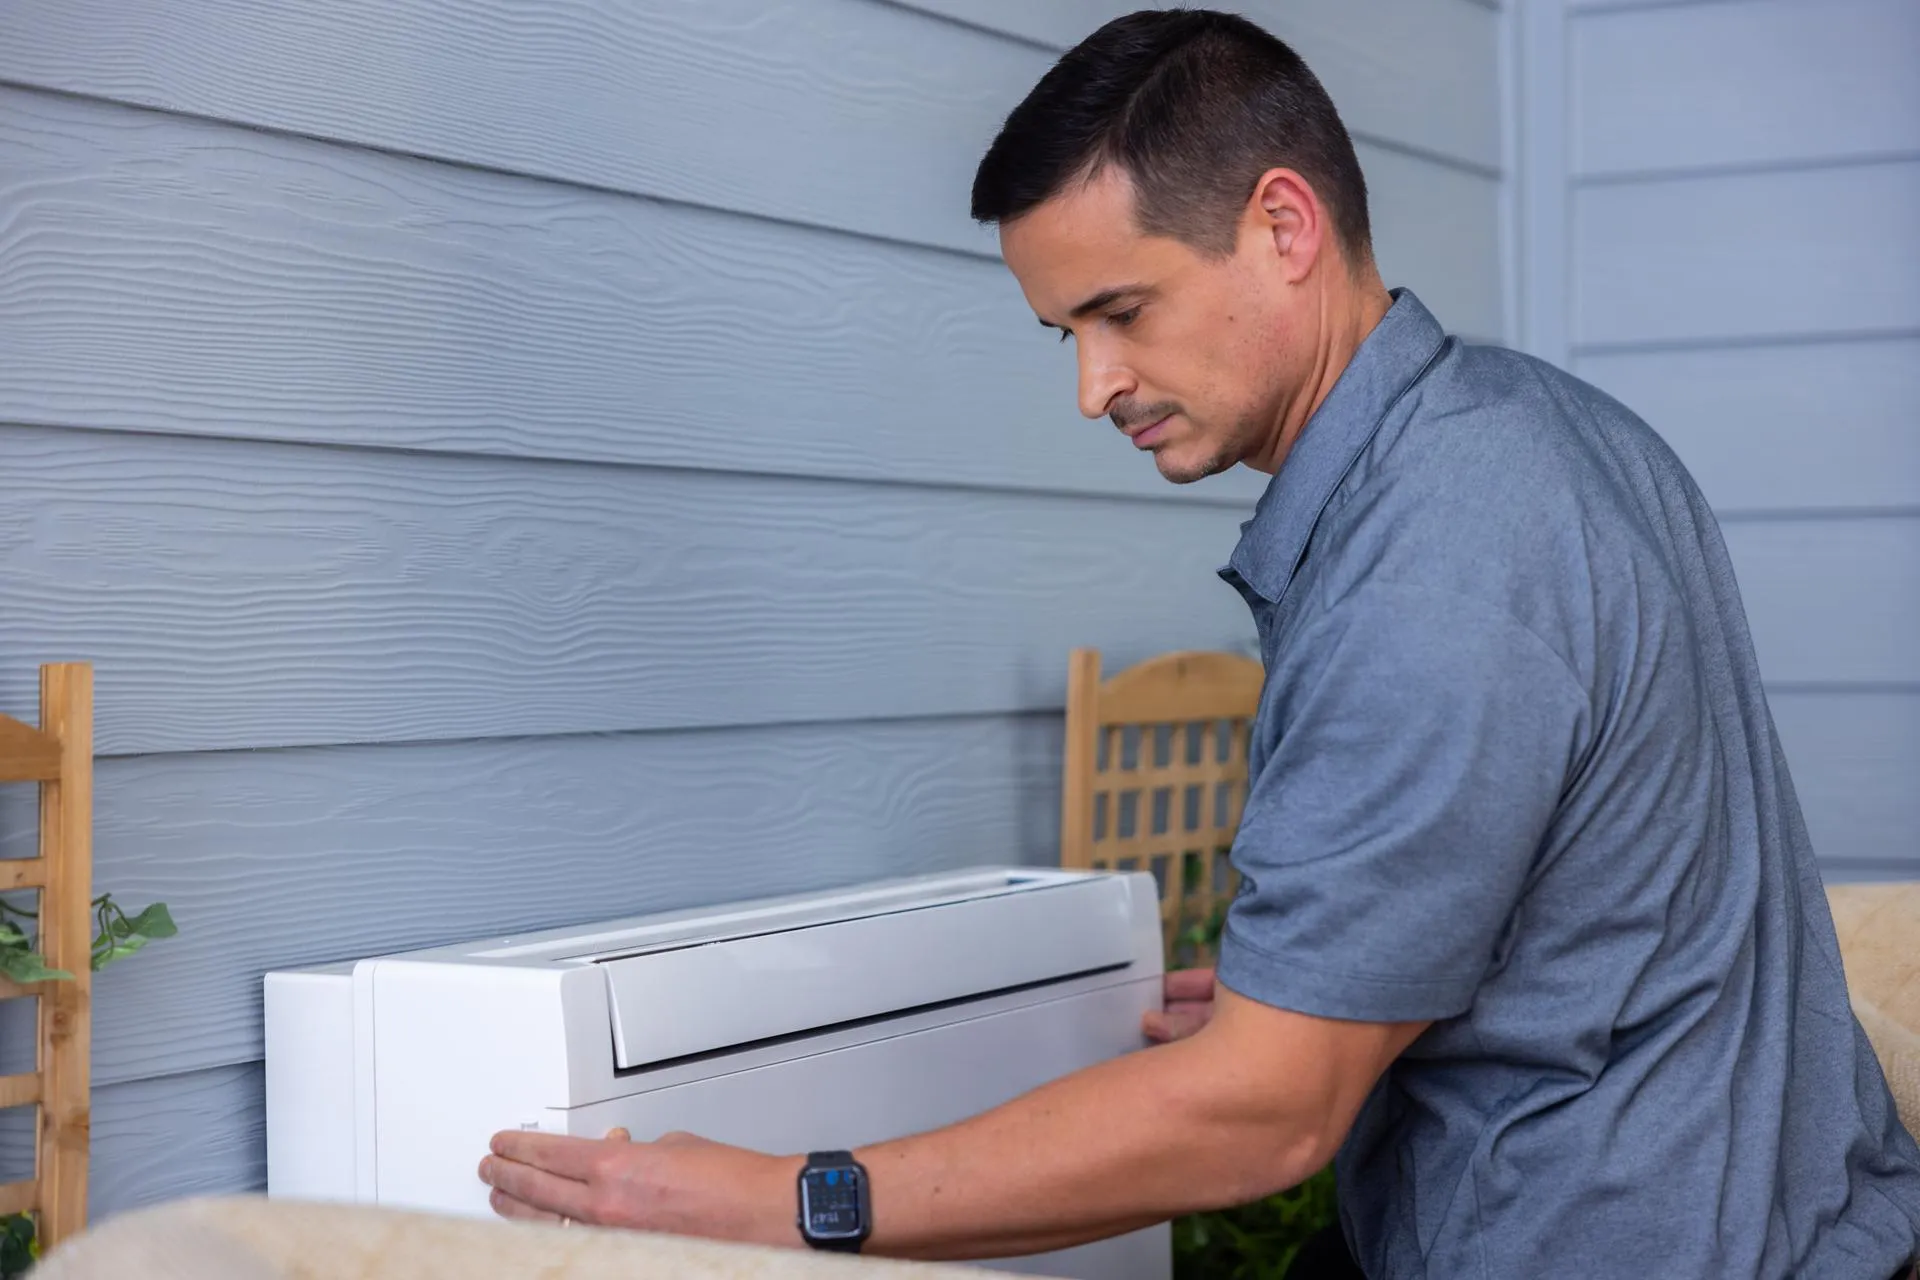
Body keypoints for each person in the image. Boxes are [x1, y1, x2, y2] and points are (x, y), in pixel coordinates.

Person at [477, 10, 1920, 1276]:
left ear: (1283, 228)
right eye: (1069, 336)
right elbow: (1582, 888)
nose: (1097, 386)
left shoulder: (1439, 560)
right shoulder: (1536, 432)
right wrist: (1332, 977)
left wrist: (797, 1198)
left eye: (1122, 312)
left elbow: (1265, 1112)